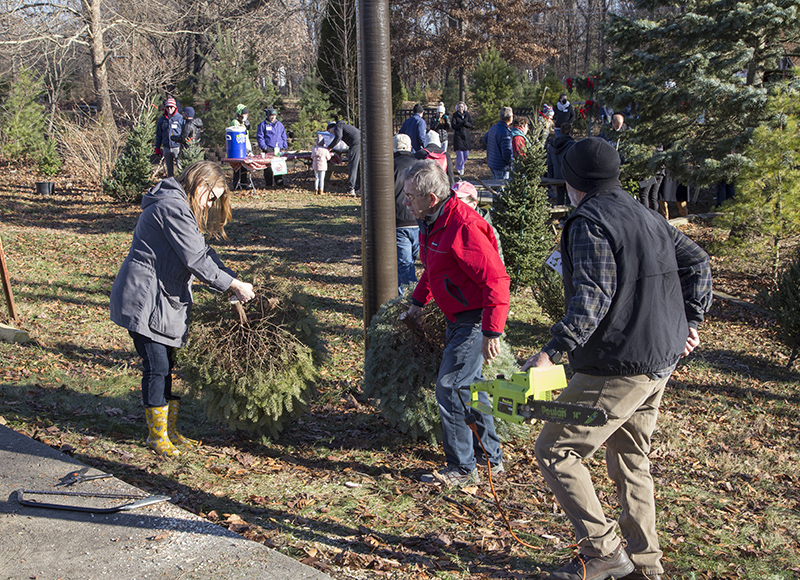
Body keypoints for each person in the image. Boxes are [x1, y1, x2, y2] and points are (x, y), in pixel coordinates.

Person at [521, 138, 712, 580]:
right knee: (630, 459)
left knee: (556, 449)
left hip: (618, 364)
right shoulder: (645, 213)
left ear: (571, 182)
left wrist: (553, 351)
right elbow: (698, 261)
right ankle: (647, 567)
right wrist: (690, 321)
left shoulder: (589, 222)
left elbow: (592, 297)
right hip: (659, 359)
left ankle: (604, 552)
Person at [110, 161, 256, 457]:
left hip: (162, 298)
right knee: (156, 365)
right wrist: (232, 286)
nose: (210, 204)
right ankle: (157, 436)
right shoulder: (172, 207)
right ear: (200, 185)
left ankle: (169, 430)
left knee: (166, 363)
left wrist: (233, 278)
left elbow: (204, 252)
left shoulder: (180, 205)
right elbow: (196, 260)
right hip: (144, 298)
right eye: (211, 197)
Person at [402, 160, 510, 487]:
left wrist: (492, 331)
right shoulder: (432, 221)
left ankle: (462, 469)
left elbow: (497, 280)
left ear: (431, 198)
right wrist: (418, 302)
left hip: (474, 319)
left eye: (410, 196)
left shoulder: (463, 226)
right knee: (472, 388)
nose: (405, 201)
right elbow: (435, 269)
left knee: (450, 387)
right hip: (457, 316)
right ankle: (491, 458)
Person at [393, 133, 419, 293]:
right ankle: (403, 298)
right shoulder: (420, 166)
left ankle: (411, 300)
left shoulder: (389, 166)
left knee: (405, 265)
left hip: (398, 220)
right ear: (410, 148)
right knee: (407, 263)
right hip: (419, 219)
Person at [451, 181, 503, 263]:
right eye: (451, 201)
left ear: (474, 204)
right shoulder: (448, 223)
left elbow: (498, 263)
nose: (453, 206)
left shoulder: (487, 231)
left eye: (459, 202)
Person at [326, 120, 361, 197]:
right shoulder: (343, 127)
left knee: (353, 166)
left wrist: (329, 147)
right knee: (358, 166)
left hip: (356, 144)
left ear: (332, 127)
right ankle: (359, 188)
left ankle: (351, 188)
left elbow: (338, 137)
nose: (330, 133)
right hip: (361, 142)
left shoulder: (338, 127)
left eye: (329, 131)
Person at [256, 107, 288, 187]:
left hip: (279, 149)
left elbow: (283, 135)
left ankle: (279, 183)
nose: (273, 117)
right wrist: (264, 147)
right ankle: (268, 184)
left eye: (274, 115)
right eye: (271, 115)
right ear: (268, 115)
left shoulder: (280, 125)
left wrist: (284, 145)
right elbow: (260, 137)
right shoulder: (263, 125)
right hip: (268, 149)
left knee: (279, 166)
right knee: (268, 168)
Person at [546, 122, 576, 205]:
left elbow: (549, 162)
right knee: (570, 198)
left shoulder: (552, 145)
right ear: (570, 132)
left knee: (560, 196)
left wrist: (551, 177)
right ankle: (568, 215)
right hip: (569, 175)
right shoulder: (572, 145)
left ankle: (560, 216)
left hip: (557, 174)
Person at [154, 97, 184, 178]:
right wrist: (157, 148)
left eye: (171, 107)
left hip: (177, 147)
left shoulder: (180, 118)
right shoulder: (162, 120)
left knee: (180, 167)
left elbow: (184, 133)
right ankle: (171, 183)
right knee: (169, 170)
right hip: (166, 147)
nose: (169, 109)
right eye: (167, 107)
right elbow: (159, 135)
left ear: (175, 107)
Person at [482, 107, 514, 180]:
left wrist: (493, 149)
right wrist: (511, 163)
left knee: (495, 185)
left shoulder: (494, 127)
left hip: (492, 162)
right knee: (501, 188)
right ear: (510, 117)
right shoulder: (505, 132)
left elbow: (485, 139)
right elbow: (507, 152)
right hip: (501, 166)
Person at [230, 104, 253, 189]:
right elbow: (236, 133)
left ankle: (244, 183)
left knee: (244, 168)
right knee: (238, 169)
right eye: (244, 115)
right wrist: (242, 127)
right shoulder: (235, 122)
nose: (246, 117)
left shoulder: (245, 122)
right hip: (238, 147)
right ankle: (237, 185)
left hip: (245, 146)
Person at [451, 101, 474, 176]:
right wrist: (461, 123)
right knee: (460, 154)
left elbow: (471, 124)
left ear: (464, 107)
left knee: (466, 154)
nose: (461, 108)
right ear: (457, 108)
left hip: (466, 136)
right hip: (458, 136)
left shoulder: (467, 115)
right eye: (459, 107)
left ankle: (462, 165)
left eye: (462, 107)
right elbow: (453, 126)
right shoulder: (455, 115)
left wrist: (465, 123)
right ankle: (460, 167)